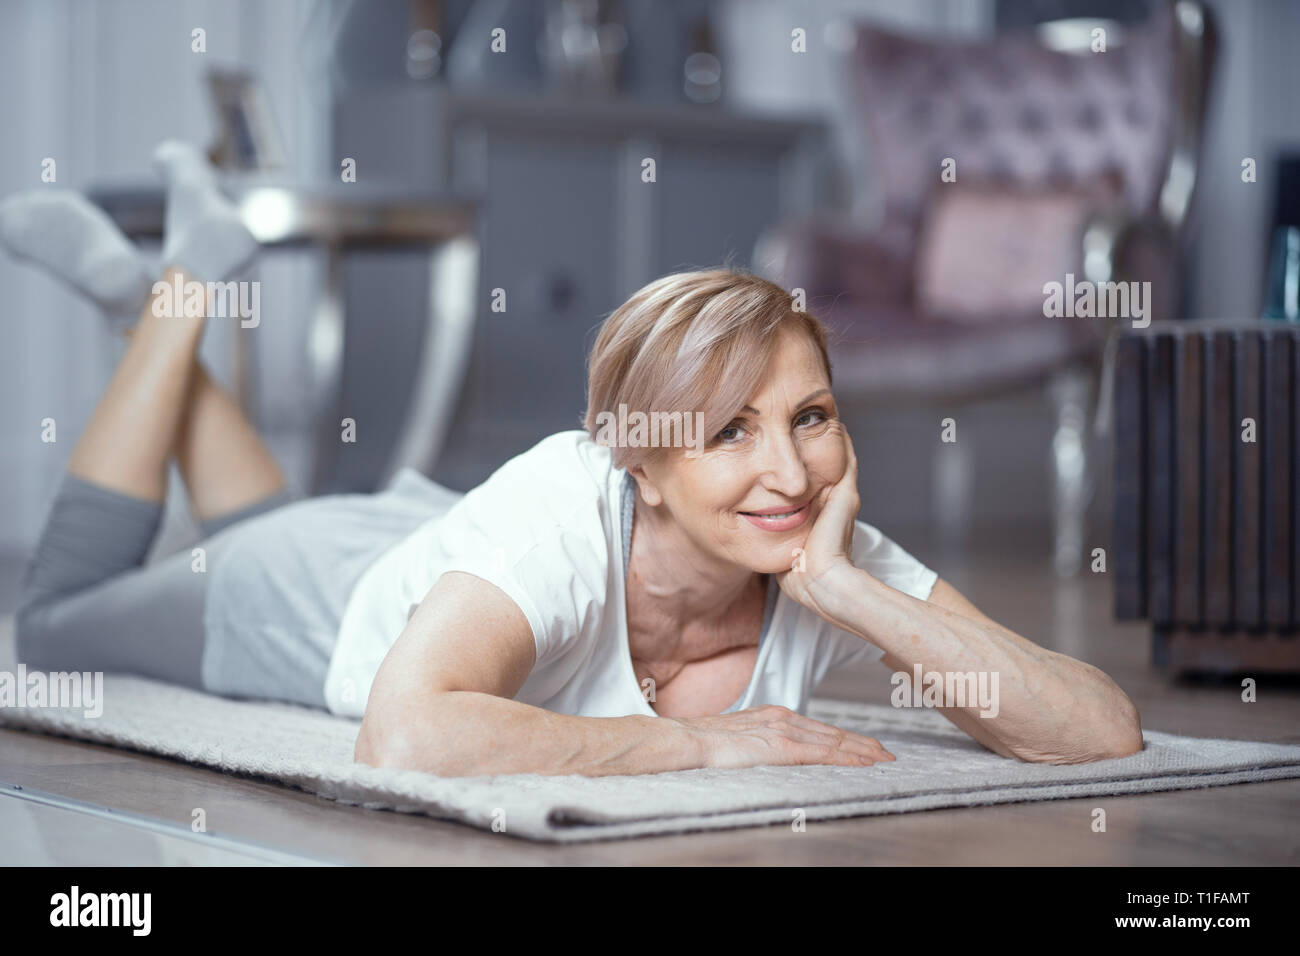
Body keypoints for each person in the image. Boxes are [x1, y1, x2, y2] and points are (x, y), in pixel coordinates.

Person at [2, 144, 1144, 779]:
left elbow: (1100, 730)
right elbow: (403, 734)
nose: (791, 475)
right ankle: (182, 292)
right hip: (307, 593)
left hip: (430, 548)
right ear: (637, 465)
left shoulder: (809, 540)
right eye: (728, 431)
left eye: (810, 414)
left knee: (254, 516)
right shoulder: (566, 501)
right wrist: (699, 742)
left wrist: (849, 589)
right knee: (51, 625)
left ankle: (153, 305)